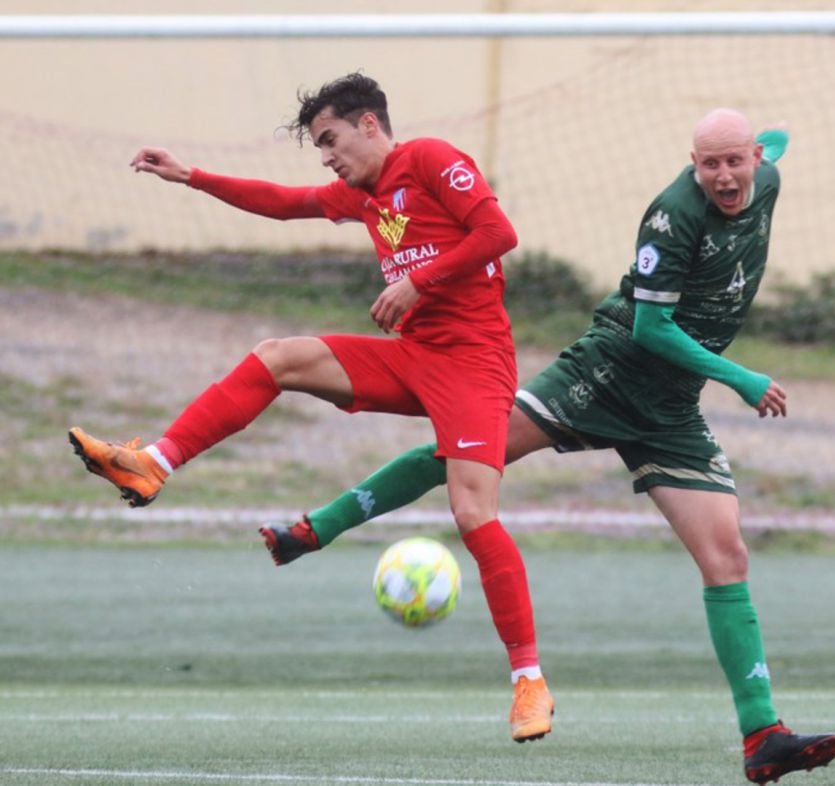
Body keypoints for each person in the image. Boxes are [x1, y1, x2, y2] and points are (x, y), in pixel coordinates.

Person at [261, 108, 835, 784]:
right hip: (607, 373)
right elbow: (652, 329)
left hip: (670, 408)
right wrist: (742, 378)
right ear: (691, 163)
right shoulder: (671, 219)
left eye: (735, 161)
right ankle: (316, 528)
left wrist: (769, 134)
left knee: (727, 555)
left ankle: (762, 737)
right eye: (708, 164)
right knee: (471, 453)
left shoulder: (763, 175)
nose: (723, 176)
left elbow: (777, 141)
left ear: (753, 160)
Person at [67, 70, 554, 744]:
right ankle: (152, 461)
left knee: (472, 511)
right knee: (279, 357)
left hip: (475, 365)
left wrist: (418, 281)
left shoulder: (433, 159)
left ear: (370, 125)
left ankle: (527, 682)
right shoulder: (363, 193)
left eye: (330, 140)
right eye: (320, 147)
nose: (327, 157)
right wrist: (193, 177)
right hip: (414, 357)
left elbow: (498, 233)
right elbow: (283, 201)